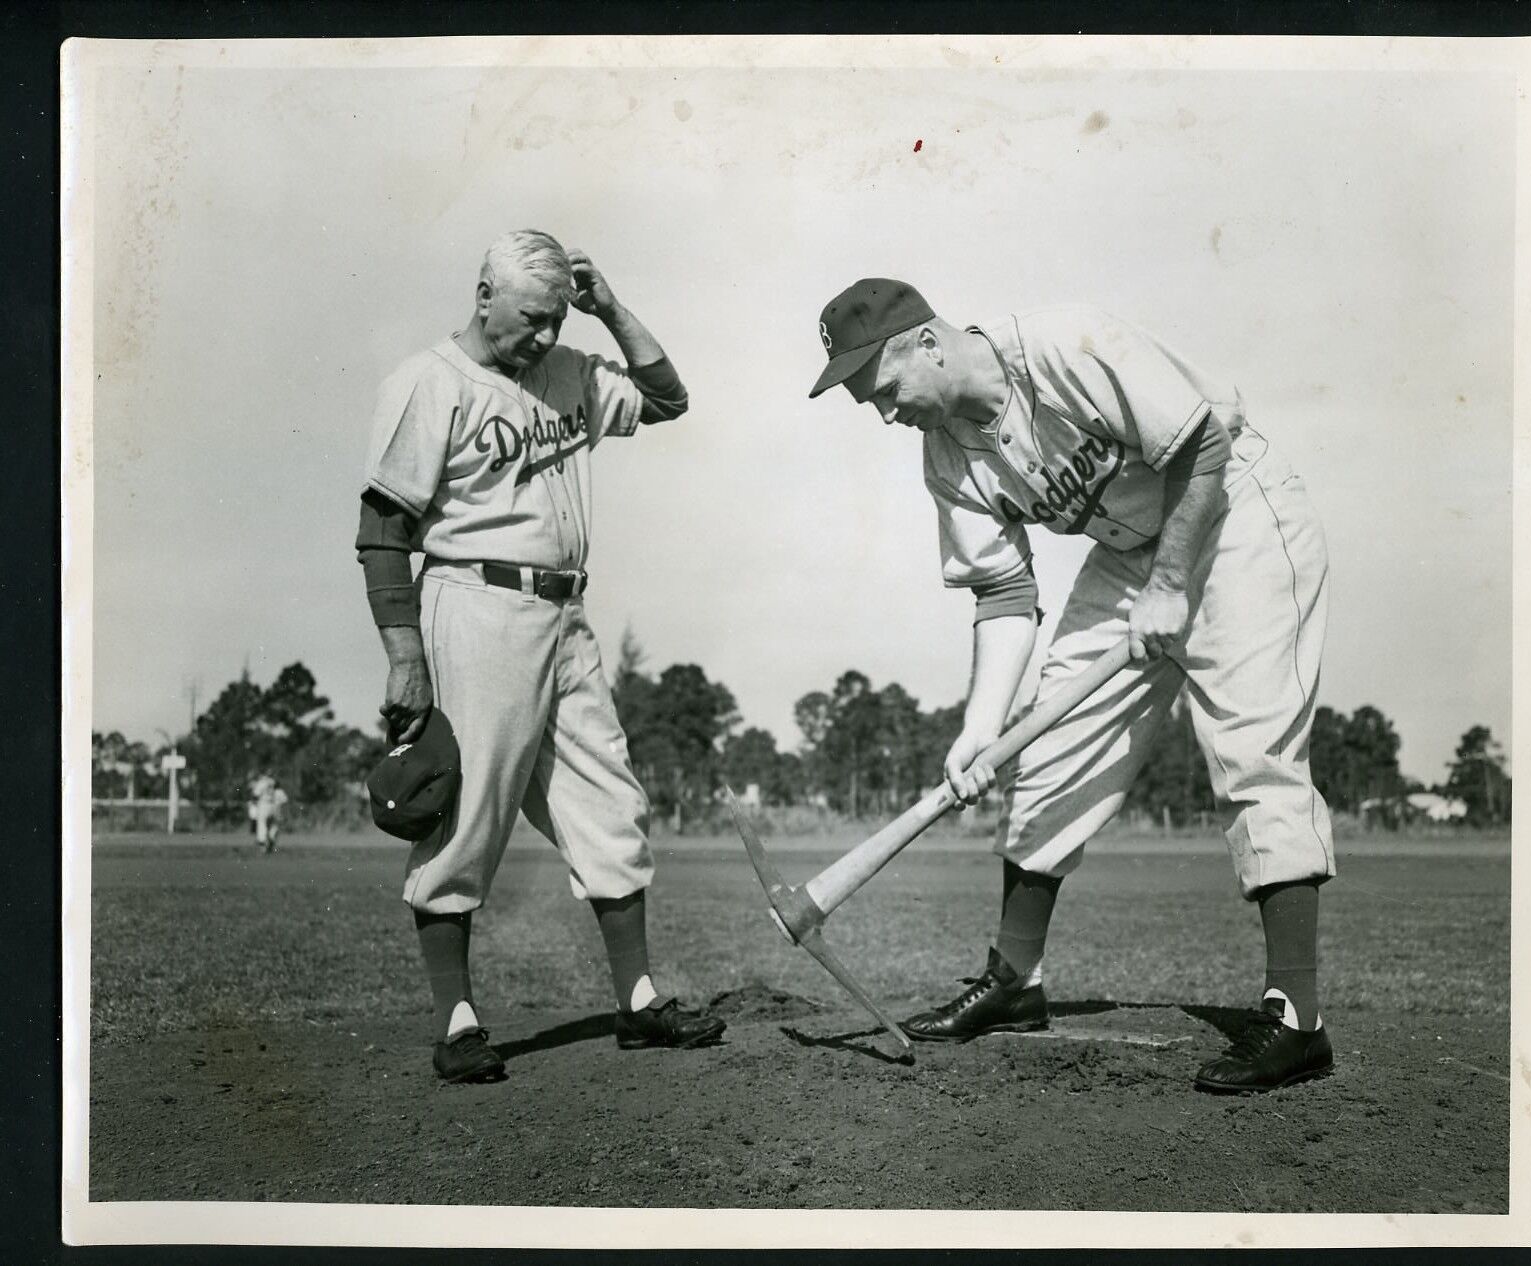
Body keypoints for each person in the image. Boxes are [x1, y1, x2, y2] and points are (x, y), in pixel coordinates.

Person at [807, 279, 1335, 1093]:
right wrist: (980, 729)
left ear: (926, 343)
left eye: (884, 389)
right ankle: (1015, 981)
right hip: (1133, 553)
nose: (885, 413)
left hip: (1235, 516)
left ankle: (1296, 1018)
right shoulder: (947, 453)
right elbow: (1004, 594)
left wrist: (1171, 584)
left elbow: (1202, 446)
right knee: (1050, 752)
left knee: (1251, 748)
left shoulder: (1065, 344)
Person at [355, 230, 726, 1084]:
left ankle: (638, 1004)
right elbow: (383, 530)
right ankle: (457, 1024)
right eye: (532, 319)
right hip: (474, 604)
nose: (547, 337)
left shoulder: (569, 373)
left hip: (567, 611)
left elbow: (668, 399)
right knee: (463, 813)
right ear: (482, 294)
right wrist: (404, 653)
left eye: (558, 319)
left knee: (609, 797)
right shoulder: (429, 383)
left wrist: (611, 309)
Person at [249, 773, 287, 853]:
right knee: (273, 824)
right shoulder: (272, 781)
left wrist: (254, 801)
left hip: (264, 804)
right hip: (273, 805)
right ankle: (271, 836)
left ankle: (262, 843)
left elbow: (256, 794)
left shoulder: (262, 782)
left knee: (261, 823)